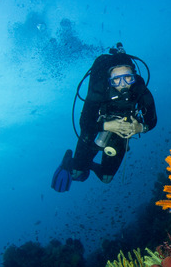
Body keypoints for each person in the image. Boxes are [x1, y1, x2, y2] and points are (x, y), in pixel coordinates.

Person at [51, 44, 157, 192]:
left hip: (121, 132)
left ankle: (88, 165)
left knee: (106, 179)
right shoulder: (99, 89)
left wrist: (140, 127)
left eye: (128, 77)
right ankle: (69, 162)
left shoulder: (139, 88)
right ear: (109, 79)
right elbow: (85, 123)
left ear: (134, 75)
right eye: (116, 80)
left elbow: (152, 120)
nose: (123, 85)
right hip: (97, 126)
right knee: (76, 173)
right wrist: (107, 126)